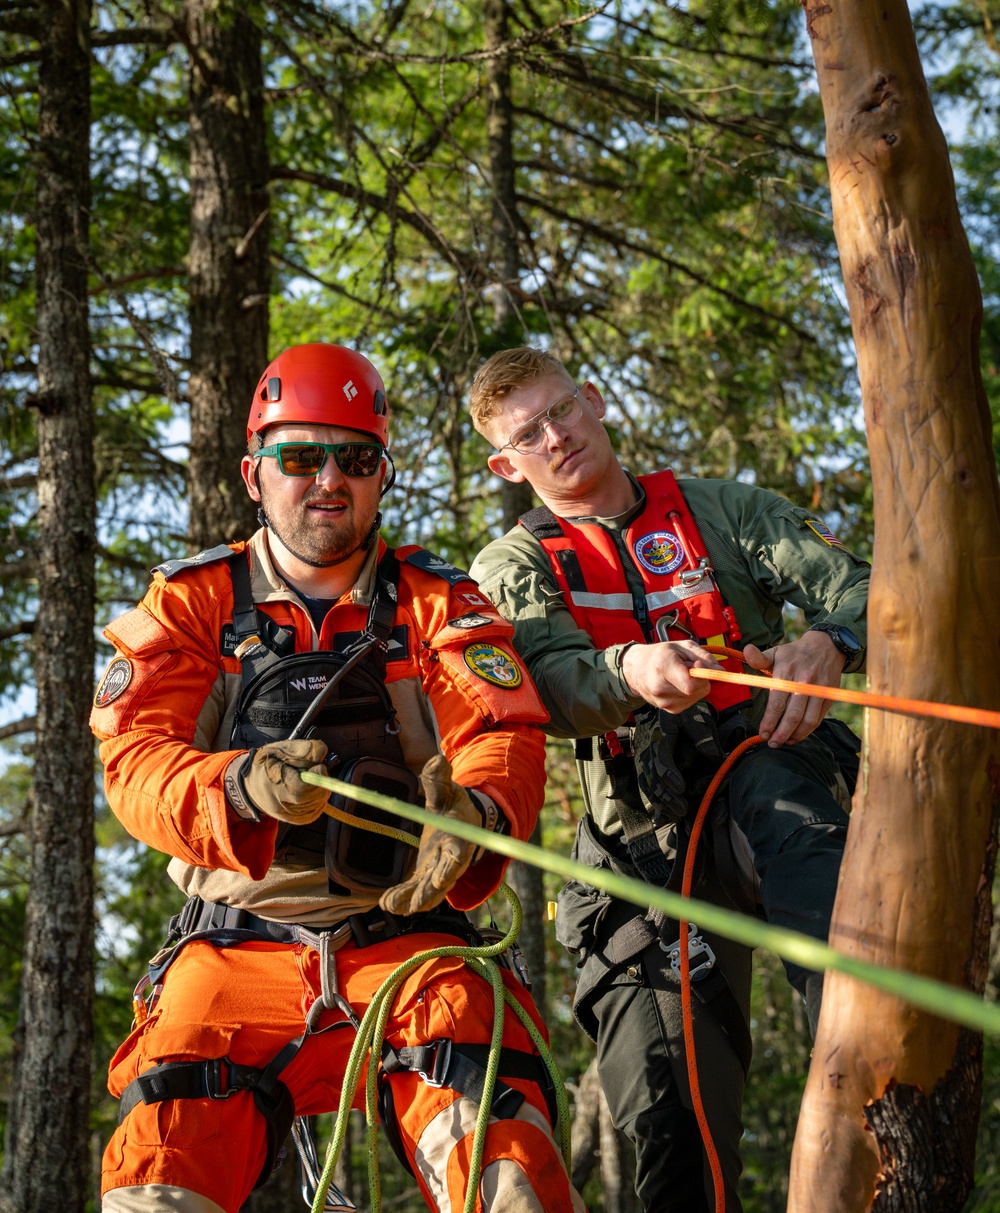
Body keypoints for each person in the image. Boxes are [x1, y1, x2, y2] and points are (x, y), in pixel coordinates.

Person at [91, 342, 583, 1213]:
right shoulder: (193, 603)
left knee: (510, 1176)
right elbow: (135, 762)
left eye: (355, 460)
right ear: (254, 473)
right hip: (232, 948)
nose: (329, 480)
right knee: (155, 1187)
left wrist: (472, 812)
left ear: (381, 474)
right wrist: (242, 786)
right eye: (300, 457)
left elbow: (500, 729)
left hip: (414, 948)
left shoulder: (439, 602)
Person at [466, 347, 869, 1213]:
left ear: (596, 399)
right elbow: (551, 680)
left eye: (563, 409)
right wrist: (631, 669)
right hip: (639, 848)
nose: (557, 436)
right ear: (507, 464)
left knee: (809, 851)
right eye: (528, 434)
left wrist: (830, 641)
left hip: (767, 780)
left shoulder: (717, 507)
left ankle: (870, 1072)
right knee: (671, 1128)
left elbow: (870, 584)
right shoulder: (512, 565)